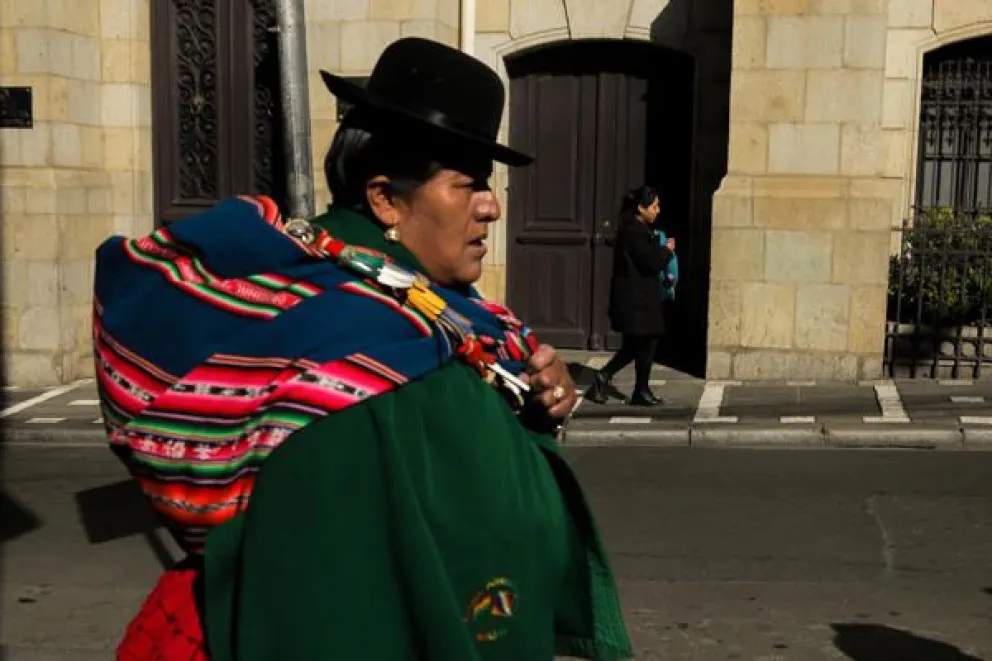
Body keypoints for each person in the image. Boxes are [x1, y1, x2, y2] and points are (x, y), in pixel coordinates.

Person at [98, 37, 632, 660]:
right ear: (384, 199)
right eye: (467, 185)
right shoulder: (360, 345)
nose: (490, 207)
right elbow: (341, 594)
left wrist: (536, 407)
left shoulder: (421, 308)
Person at [589, 186, 674, 407]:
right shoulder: (634, 231)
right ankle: (620, 383)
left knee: (640, 343)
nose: (657, 211)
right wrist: (666, 250)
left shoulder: (636, 229)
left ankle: (635, 387)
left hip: (640, 298)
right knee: (641, 343)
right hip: (637, 300)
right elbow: (651, 262)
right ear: (641, 207)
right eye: (654, 206)